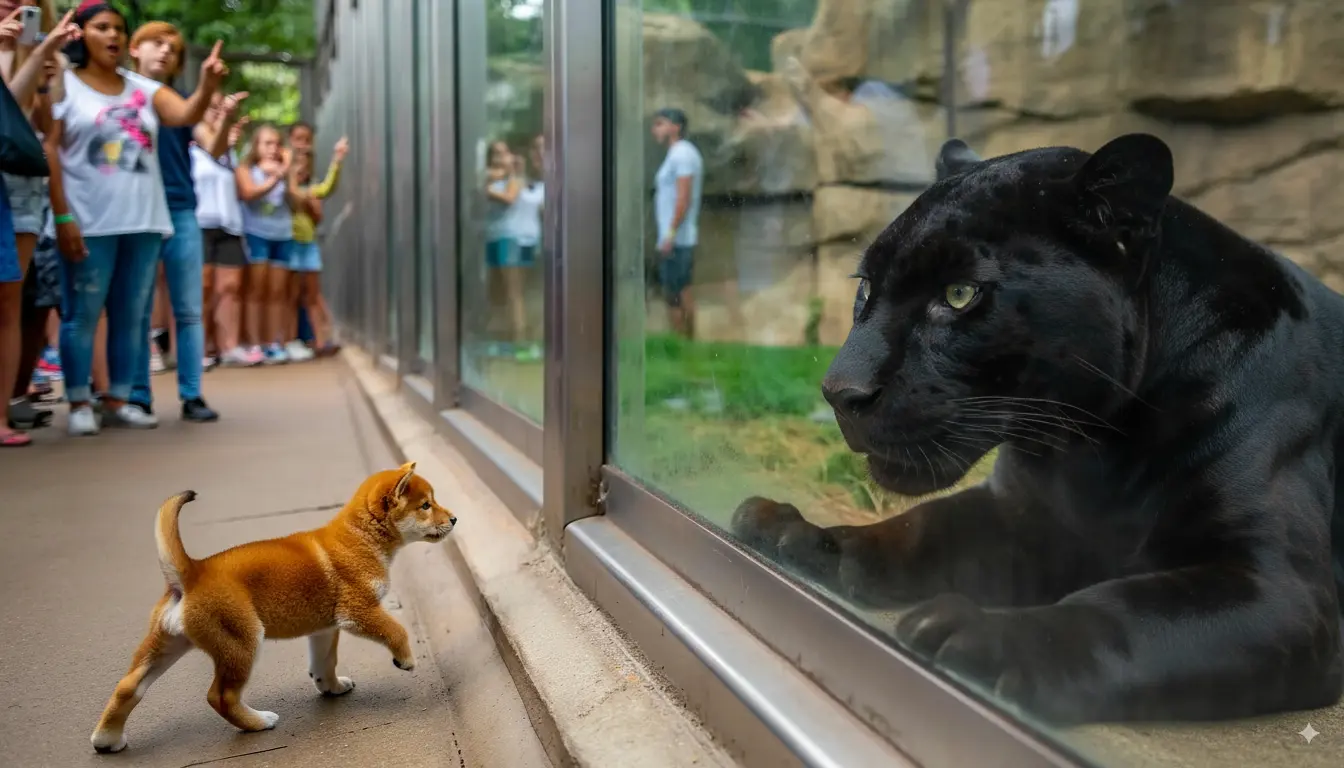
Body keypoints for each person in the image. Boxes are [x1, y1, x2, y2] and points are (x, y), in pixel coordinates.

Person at [46, 0, 227, 436]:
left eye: (119, 29)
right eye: (102, 27)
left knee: (132, 315)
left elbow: (185, 115)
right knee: (84, 314)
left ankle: (119, 399)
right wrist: (63, 216)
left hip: (145, 220)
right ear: (82, 35)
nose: (112, 36)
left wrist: (204, 85)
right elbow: (49, 147)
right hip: (90, 221)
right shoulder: (65, 85)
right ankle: (78, 402)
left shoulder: (141, 88)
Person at [126, 19, 241, 423]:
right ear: (134, 48)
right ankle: (137, 395)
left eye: (172, 49)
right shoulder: (117, 92)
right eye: (155, 43)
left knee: (188, 308)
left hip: (180, 209)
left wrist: (224, 114)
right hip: (136, 211)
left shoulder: (182, 100)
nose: (164, 52)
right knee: (137, 307)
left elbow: (216, 147)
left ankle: (192, 394)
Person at [0, 3, 77, 446]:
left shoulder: (51, 53)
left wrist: (39, 58)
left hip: (22, 184)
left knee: (11, 301)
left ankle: (3, 412)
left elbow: (41, 129)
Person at [193, 105, 256, 367]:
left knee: (229, 288)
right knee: (202, 288)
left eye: (222, 107)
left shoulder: (231, 153)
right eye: (213, 106)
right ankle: (201, 348)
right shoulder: (190, 148)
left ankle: (229, 347)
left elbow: (246, 190)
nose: (218, 111)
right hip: (200, 223)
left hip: (230, 224)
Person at [236, 122, 304, 364]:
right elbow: (249, 194)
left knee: (277, 292)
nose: (273, 149)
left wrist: (288, 173)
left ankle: (274, 342)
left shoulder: (285, 171)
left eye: (276, 143)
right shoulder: (246, 168)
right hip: (256, 234)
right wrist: (276, 176)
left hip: (283, 234)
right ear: (256, 146)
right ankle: (254, 342)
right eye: (267, 143)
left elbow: (297, 203)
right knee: (256, 291)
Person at [289, 137, 347, 357]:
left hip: (307, 245)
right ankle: (290, 340)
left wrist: (337, 161)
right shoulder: (285, 189)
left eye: (305, 167)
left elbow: (326, 187)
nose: (301, 170)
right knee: (292, 295)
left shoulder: (309, 190)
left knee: (313, 294)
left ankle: (322, 341)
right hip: (290, 245)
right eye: (297, 165)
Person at [650, 107, 703, 338]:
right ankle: (684, 343)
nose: (655, 129)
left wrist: (670, 234)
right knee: (678, 289)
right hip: (674, 236)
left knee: (676, 291)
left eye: (660, 123)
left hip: (677, 237)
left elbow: (684, 197)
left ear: (676, 127)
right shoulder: (676, 154)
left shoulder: (682, 154)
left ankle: (685, 342)